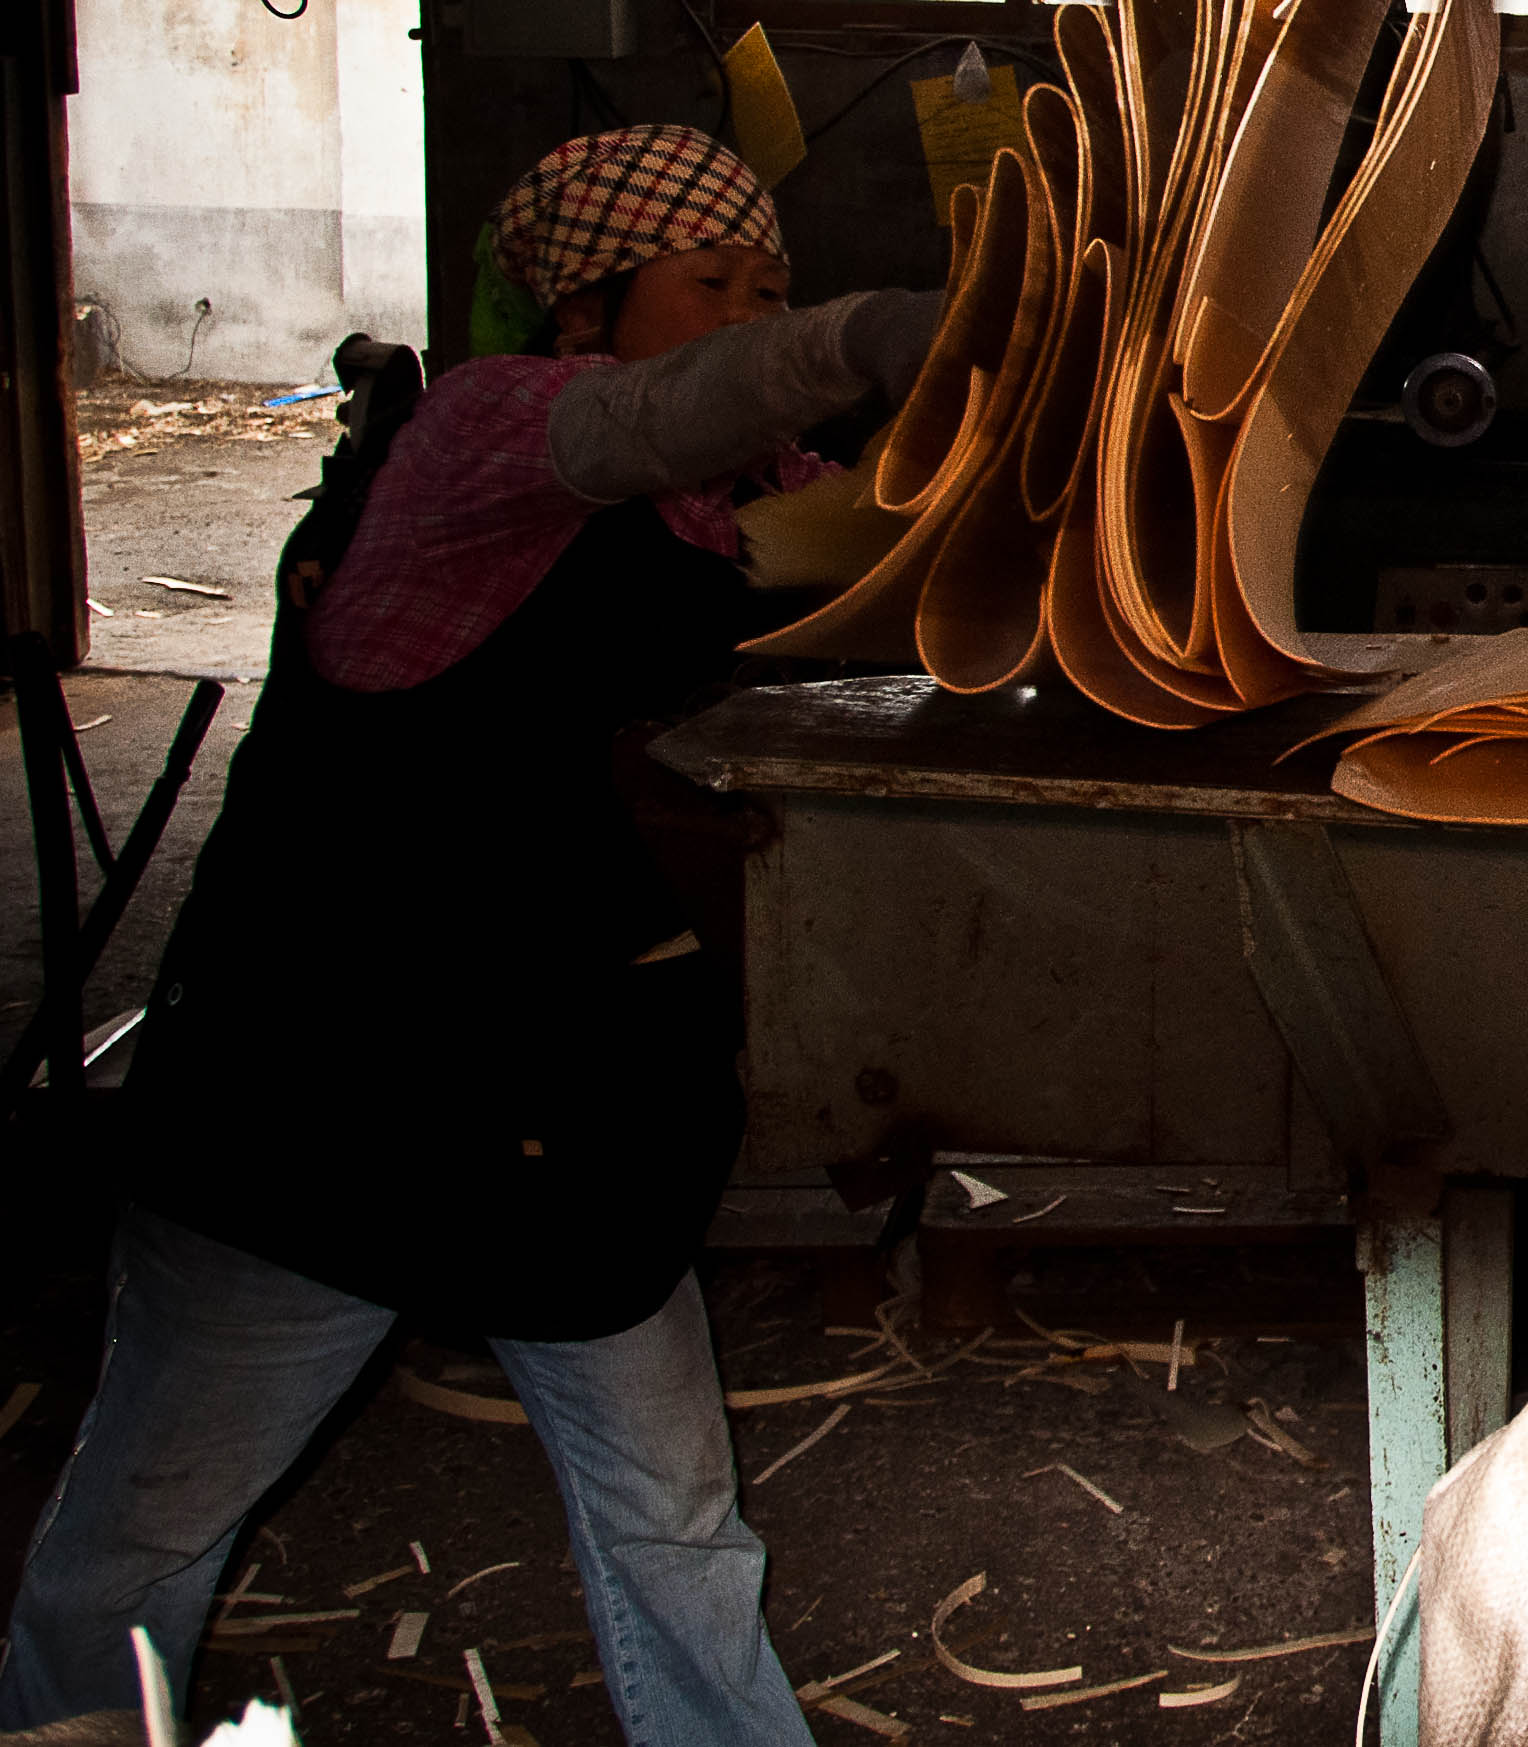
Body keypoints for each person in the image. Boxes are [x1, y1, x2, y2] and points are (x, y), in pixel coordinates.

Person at [1, 126, 942, 1740]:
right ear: (582, 305)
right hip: (322, 1093)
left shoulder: (733, 503)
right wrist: (855, 336)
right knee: (145, 1531)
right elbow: (663, 416)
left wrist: (1034, 431)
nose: (745, 309)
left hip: (559, 1106)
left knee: (677, 1526)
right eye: (709, 281)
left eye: (770, 284)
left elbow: (877, 540)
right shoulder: (484, 431)